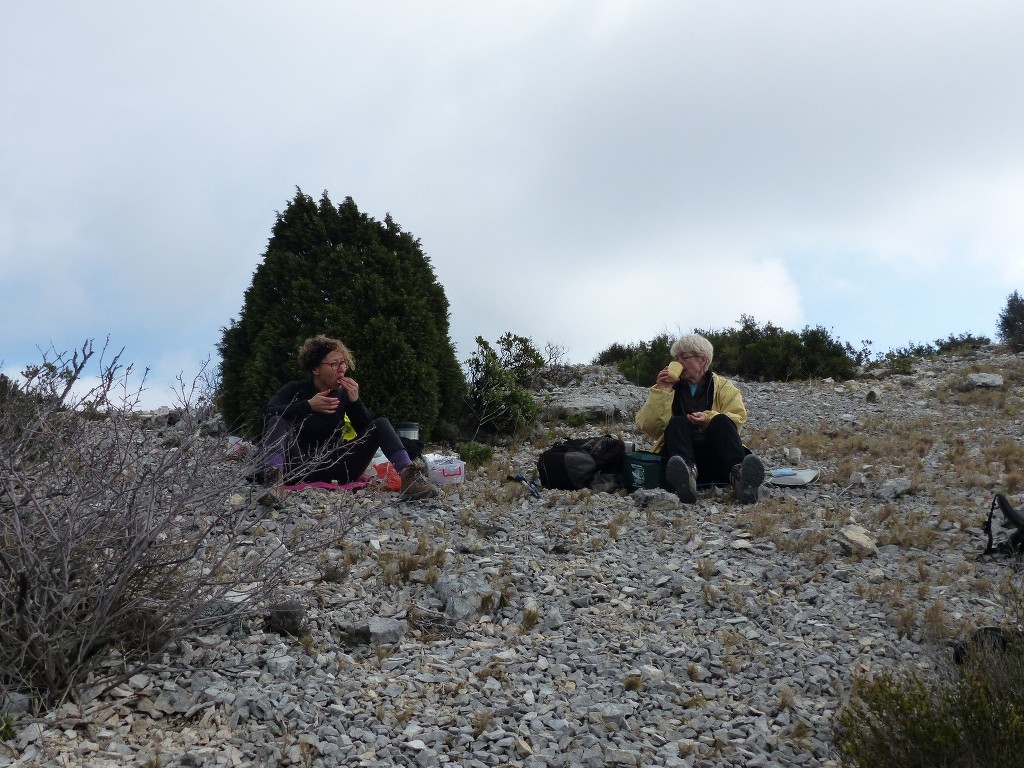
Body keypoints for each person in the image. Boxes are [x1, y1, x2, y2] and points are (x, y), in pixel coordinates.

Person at [262, 335, 437, 500]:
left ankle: (410, 477)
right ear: (315, 369)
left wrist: (356, 402)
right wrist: (308, 405)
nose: (342, 369)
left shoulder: (344, 394)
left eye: (343, 363)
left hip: (336, 465)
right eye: (334, 364)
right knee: (277, 418)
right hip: (297, 466)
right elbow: (267, 414)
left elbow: (368, 433)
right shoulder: (295, 390)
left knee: (380, 423)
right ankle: (273, 482)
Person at [635, 333, 764, 504]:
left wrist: (708, 418)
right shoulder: (667, 388)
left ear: (702, 360)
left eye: (684, 357)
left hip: (716, 457)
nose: (677, 362)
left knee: (722, 421)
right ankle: (686, 478)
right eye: (676, 358)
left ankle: (739, 477)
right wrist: (662, 391)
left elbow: (738, 419)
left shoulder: (725, 387)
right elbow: (650, 427)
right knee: (678, 422)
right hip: (678, 458)